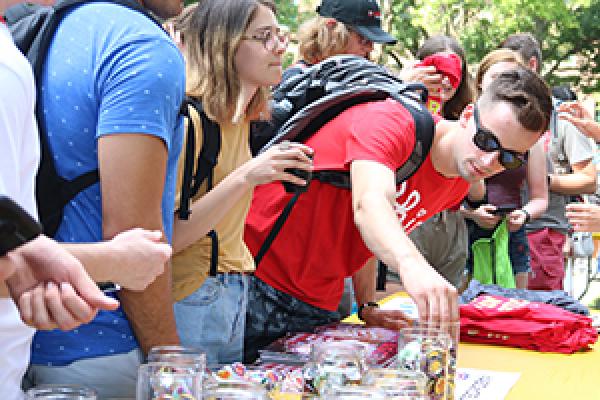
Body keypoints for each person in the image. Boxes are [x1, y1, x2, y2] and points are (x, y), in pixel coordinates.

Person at [243, 66, 553, 361]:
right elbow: (370, 203)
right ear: (467, 115)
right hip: (252, 278)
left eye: (509, 158)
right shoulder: (392, 121)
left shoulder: (459, 183)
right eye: (486, 141)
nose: (488, 161)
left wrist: (367, 306)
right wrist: (413, 266)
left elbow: (376, 230)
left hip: (318, 300)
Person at [0, 0, 174, 397]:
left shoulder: (29, 40)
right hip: (103, 342)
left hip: (35, 341)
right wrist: (168, 363)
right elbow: (133, 228)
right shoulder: (137, 44)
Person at [169, 0, 313, 367]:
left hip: (232, 289)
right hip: (192, 295)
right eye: (264, 37)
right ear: (223, 44)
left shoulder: (241, 119)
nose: (280, 47)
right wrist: (248, 176)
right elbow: (168, 237)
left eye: (279, 35)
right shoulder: (192, 121)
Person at [500, 34, 597, 290]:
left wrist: (540, 179)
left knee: (540, 316)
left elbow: (588, 179)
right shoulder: (497, 114)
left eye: (512, 70)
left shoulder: (563, 117)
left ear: (532, 65)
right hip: (495, 233)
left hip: (541, 234)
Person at [462, 49, 548, 289]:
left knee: (513, 306)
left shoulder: (532, 141)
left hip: (511, 231)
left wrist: (524, 214)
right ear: (480, 80)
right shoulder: (464, 125)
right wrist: (470, 213)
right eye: (497, 77)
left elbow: (540, 197)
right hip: (465, 231)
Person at [400, 35, 474, 289]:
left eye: (454, 72)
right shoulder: (398, 106)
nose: (444, 79)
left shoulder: (467, 119)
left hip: (449, 224)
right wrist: (405, 88)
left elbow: (476, 191)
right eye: (437, 69)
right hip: (409, 216)